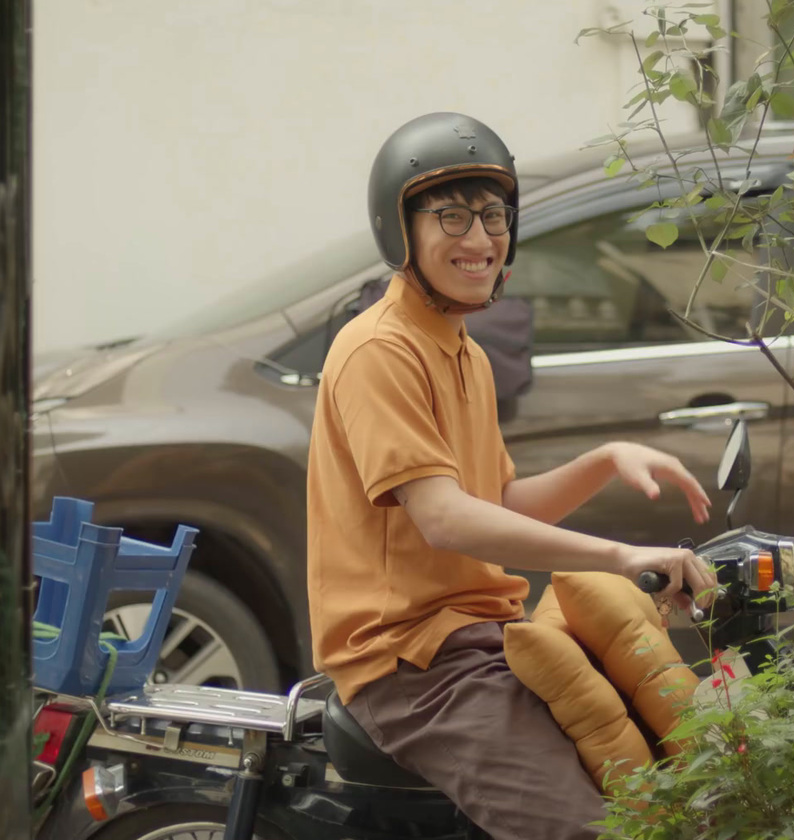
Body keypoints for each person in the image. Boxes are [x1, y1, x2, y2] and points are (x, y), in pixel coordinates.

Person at [305, 112, 717, 840]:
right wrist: (622, 556)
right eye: (452, 215)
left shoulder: (461, 351)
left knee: (676, 778)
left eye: (493, 215)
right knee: (599, 830)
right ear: (401, 230)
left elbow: (494, 502)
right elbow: (445, 518)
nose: (479, 238)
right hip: (414, 667)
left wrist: (604, 460)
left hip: (482, 639)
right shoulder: (379, 351)